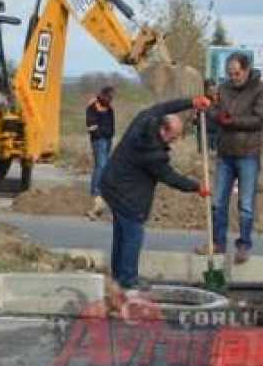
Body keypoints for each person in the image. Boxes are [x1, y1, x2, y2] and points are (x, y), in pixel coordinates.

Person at [100, 96, 213, 291]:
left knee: (122, 233)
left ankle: (119, 276)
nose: (176, 141)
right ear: (164, 130)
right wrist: (196, 187)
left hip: (112, 183)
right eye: (174, 137)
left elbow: (165, 104)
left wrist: (191, 102)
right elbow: (170, 177)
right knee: (133, 233)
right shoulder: (152, 154)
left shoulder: (145, 119)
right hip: (127, 193)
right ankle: (127, 280)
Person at [196, 53, 263, 265]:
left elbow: (260, 119)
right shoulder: (224, 89)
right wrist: (210, 111)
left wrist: (232, 121)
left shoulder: (261, 89)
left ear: (246, 71)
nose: (233, 77)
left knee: (246, 204)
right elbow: (216, 111)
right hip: (225, 153)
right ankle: (217, 243)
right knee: (218, 201)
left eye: (236, 73)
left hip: (248, 152)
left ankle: (244, 245)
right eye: (229, 74)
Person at [85, 86, 115, 220]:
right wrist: (101, 133)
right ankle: (96, 191)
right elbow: (91, 126)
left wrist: (108, 133)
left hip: (107, 139)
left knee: (105, 165)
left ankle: (102, 188)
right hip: (98, 140)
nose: (110, 100)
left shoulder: (110, 109)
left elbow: (111, 126)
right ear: (103, 96)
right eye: (108, 97)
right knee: (101, 165)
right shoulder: (92, 107)